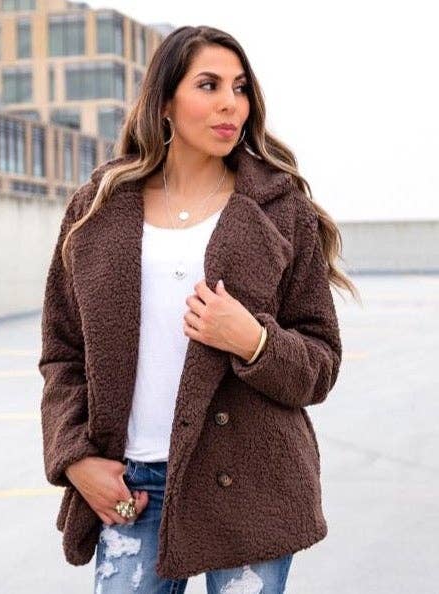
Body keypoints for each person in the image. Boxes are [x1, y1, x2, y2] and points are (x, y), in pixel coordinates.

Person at [39, 25, 360, 594]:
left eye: (240, 88)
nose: (229, 103)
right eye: (208, 85)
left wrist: (254, 342)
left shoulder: (281, 209)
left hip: (252, 486)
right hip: (132, 487)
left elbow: (321, 363)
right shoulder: (97, 209)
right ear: (165, 102)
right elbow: (62, 354)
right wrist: (73, 458)